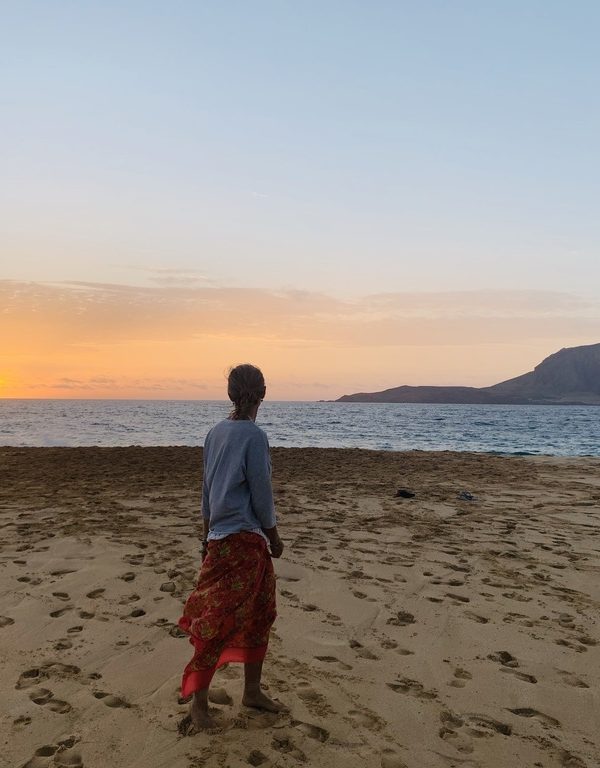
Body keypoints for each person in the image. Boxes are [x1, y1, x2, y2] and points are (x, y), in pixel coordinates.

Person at [178, 363, 285, 731]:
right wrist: (274, 537)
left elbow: (206, 494)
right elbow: (262, 494)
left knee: (257, 613)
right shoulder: (253, 437)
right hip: (245, 543)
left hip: (220, 540)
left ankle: (251, 692)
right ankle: (199, 707)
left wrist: (206, 537)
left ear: (229, 393)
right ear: (264, 393)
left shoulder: (214, 433)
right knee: (217, 621)